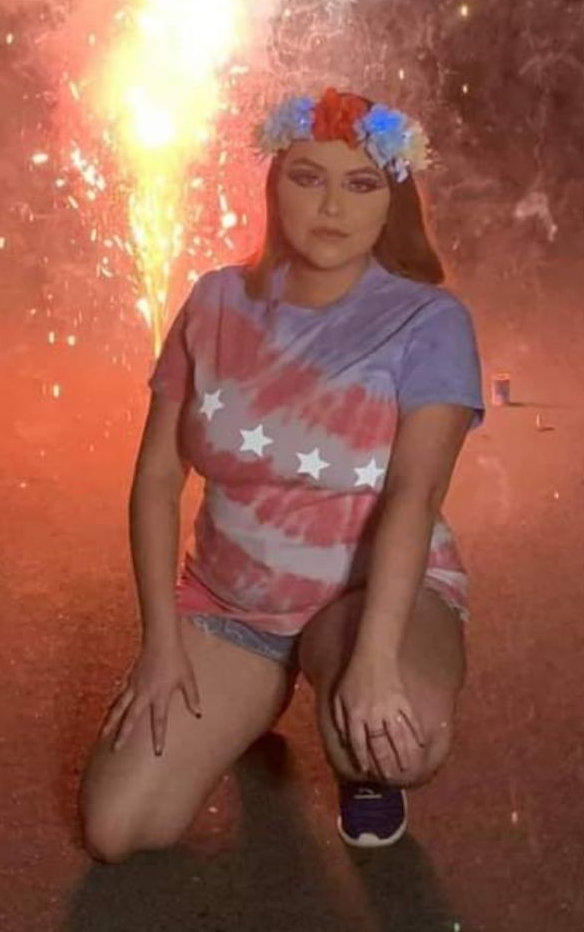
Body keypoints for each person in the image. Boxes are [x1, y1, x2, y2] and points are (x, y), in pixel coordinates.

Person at [78, 87, 485, 861]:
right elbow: (158, 477)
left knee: (396, 741)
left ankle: (357, 759)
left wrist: (373, 661)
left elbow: (413, 494)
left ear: (391, 201)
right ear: (274, 186)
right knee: (118, 829)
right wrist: (160, 644)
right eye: (307, 177)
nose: (331, 206)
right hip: (233, 600)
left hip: (364, 597)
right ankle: (254, 698)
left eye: (360, 183)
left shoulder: (428, 322)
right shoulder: (214, 300)